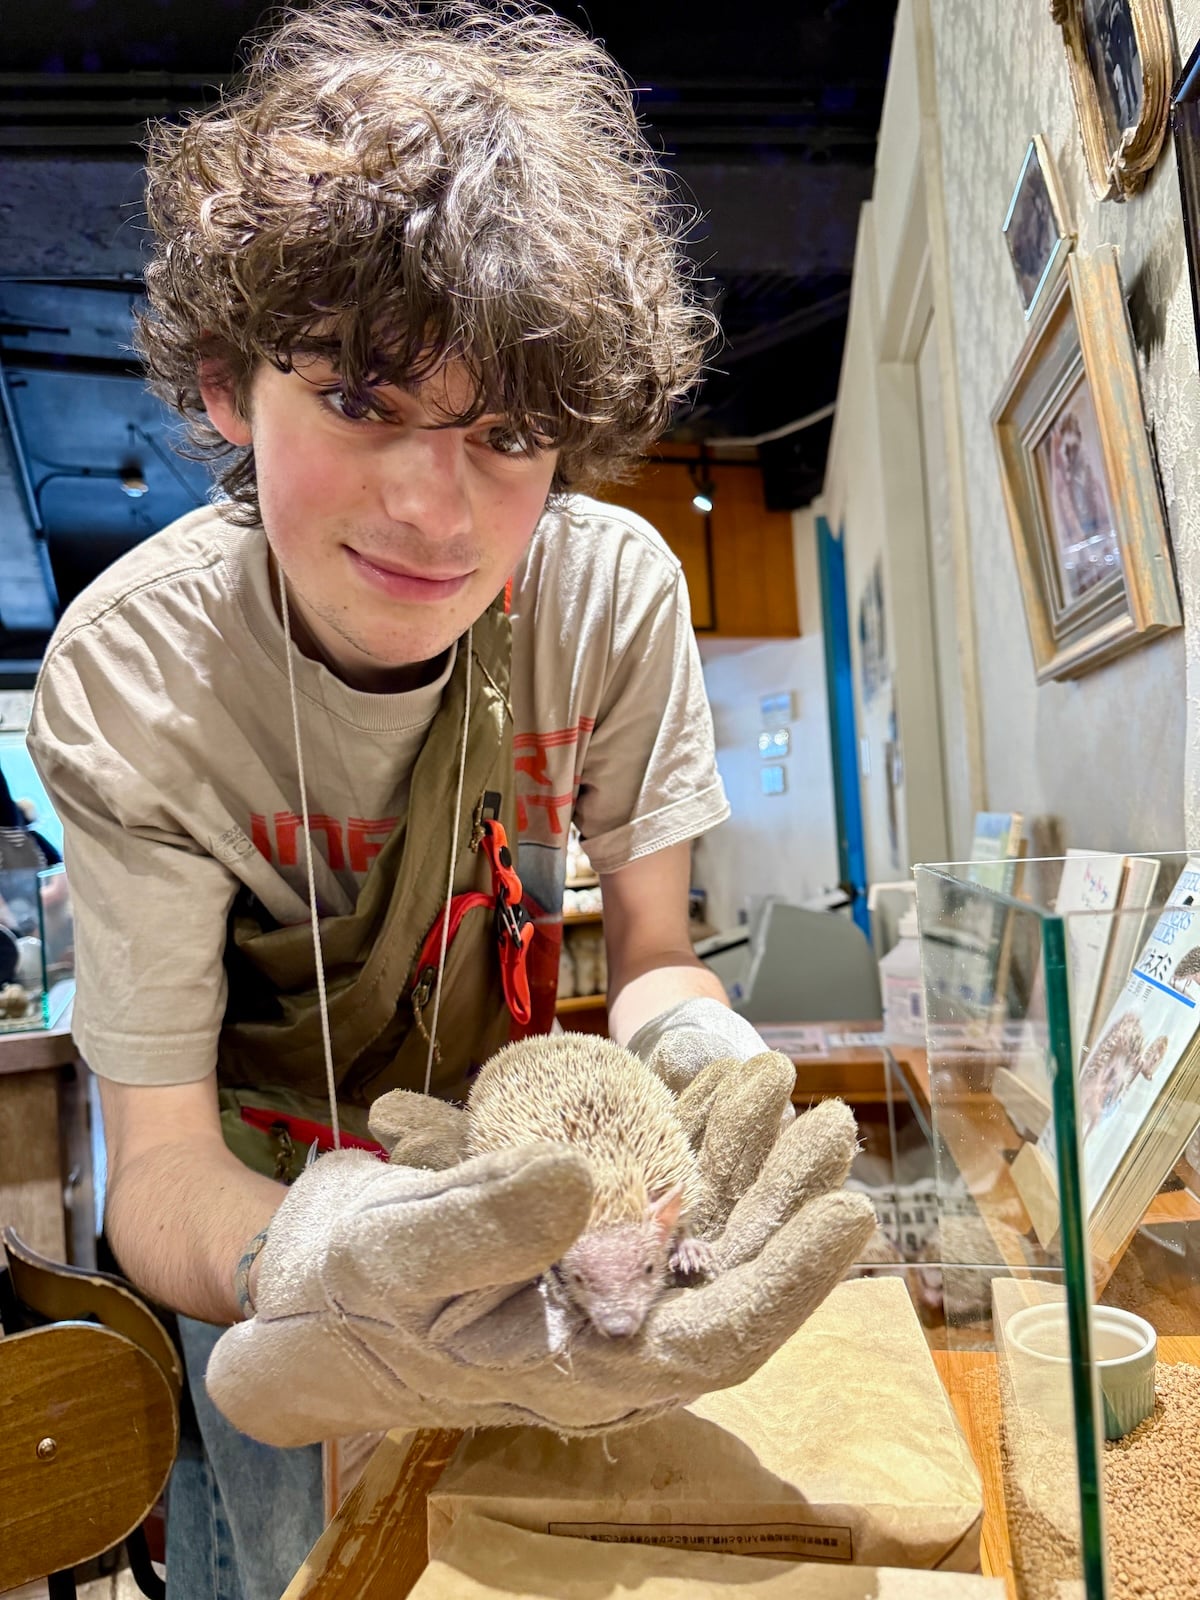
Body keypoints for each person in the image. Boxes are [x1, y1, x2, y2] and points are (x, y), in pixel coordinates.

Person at [28, 5, 873, 1596]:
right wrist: (317, 1259)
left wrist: (702, 1057)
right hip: (260, 1242)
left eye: (504, 435)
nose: (433, 508)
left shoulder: (608, 596)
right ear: (227, 384)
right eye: (357, 400)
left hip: (523, 1200)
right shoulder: (139, 677)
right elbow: (151, 1166)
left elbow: (658, 954)